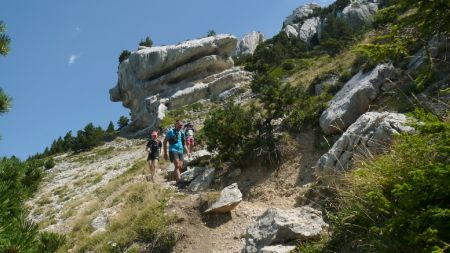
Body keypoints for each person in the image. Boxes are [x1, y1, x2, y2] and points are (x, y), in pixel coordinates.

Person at [164, 120, 189, 186]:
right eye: (179, 124)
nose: (181, 126)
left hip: (180, 151)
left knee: (180, 166)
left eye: (181, 125)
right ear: (176, 125)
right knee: (177, 165)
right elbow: (164, 142)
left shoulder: (182, 133)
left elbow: (184, 144)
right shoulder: (170, 132)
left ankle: (176, 179)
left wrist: (188, 152)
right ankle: (179, 181)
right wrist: (165, 153)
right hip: (173, 150)